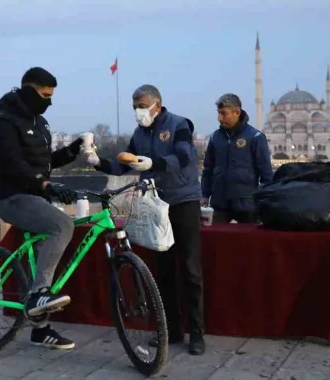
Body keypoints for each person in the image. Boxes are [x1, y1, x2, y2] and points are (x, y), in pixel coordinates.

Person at [90, 84, 206, 356]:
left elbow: (184, 156)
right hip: (154, 204)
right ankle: (172, 330)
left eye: (141, 106)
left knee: (190, 269)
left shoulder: (179, 125)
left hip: (183, 201)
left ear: (157, 103)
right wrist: (99, 162)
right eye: (135, 107)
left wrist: (153, 163)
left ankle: (197, 333)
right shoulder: (140, 133)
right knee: (162, 270)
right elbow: (125, 164)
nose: (138, 112)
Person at [0, 67, 84, 350]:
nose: (49, 101)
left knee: (43, 255)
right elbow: (14, 164)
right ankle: (39, 294)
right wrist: (44, 185)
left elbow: (42, 163)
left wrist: (71, 151)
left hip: (36, 197)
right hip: (12, 198)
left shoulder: (40, 123)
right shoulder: (3, 123)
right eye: (44, 95)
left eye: (52, 96)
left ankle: (40, 330)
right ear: (29, 90)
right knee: (62, 225)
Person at [201, 93, 273, 224]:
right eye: (218, 113)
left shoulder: (255, 137)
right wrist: (205, 194)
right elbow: (208, 169)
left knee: (249, 242)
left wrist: (265, 201)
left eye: (223, 113)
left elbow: (266, 173)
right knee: (217, 240)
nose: (219, 118)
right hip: (219, 204)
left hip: (247, 204)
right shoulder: (215, 138)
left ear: (237, 112)